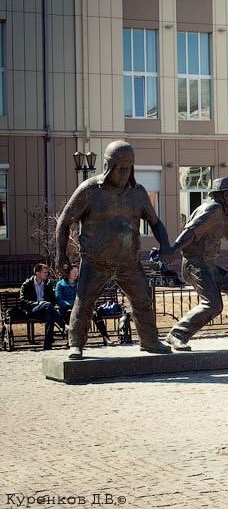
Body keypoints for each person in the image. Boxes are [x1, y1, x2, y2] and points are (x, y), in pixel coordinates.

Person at [55, 140, 174, 359]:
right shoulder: (91, 190)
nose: (123, 173)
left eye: (128, 168)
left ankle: (149, 341)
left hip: (128, 262)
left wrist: (165, 244)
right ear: (108, 166)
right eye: (119, 168)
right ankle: (76, 344)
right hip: (95, 261)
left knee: (142, 301)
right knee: (84, 302)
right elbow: (64, 221)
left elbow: (155, 223)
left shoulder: (138, 192)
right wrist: (60, 255)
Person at [165, 177, 228, 351]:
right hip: (196, 265)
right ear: (226, 195)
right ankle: (177, 334)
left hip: (209, 265)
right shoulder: (213, 210)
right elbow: (190, 231)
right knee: (213, 304)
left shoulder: (220, 215)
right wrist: (173, 249)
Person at [55, 265, 112, 345]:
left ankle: (105, 337)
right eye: (73, 272)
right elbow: (59, 299)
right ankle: (72, 339)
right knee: (71, 314)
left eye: (77, 272)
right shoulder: (60, 284)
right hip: (67, 307)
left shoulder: (80, 284)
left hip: (80, 306)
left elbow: (85, 296)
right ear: (68, 272)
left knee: (96, 314)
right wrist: (70, 305)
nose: (76, 274)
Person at [18, 263, 66, 350]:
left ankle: (47, 345)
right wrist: (38, 303)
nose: (46, 274)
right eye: (44, 272)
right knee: (47, 305)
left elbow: (52, 299)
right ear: (37, 273)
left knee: (50, 316)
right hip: (32, 310)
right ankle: (63, 325)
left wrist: (45, 304)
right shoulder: (27, 284)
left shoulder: (47, 284)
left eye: (47, 272)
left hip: (45, 310)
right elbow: (22, 302)